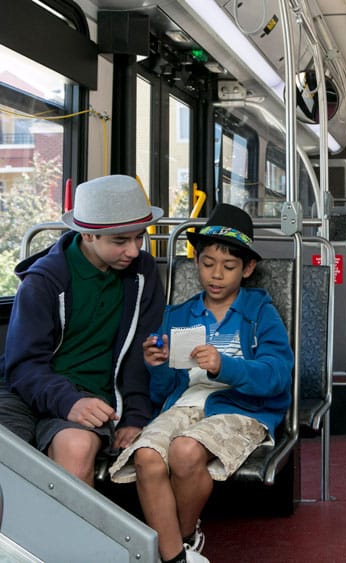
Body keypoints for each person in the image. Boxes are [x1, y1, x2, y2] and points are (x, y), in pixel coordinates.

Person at [109, 204, 293, 563]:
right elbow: (163, 392)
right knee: (147, 457)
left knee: (184, 451)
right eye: (207, 264)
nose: (216, 275)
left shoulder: (259, 313)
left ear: (248, 268)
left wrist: (224, 366)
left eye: (228, 267)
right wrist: (156, 365)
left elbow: (277, 376)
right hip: (185, 402)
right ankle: (176, 557)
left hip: (242, 405)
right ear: (196, 262)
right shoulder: (178, 316)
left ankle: (184, 536)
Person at [0, 175, 165, 485]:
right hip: (24, 392)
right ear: (88, 235)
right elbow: (22, 366)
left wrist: (135, 416)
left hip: (94, 395)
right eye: (120, 241)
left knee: (75, 448)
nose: (133, 250)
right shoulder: (43, 281)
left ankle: (69, 536)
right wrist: (68, 402)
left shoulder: (143, 273)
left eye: (139, 237)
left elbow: (137, 354)